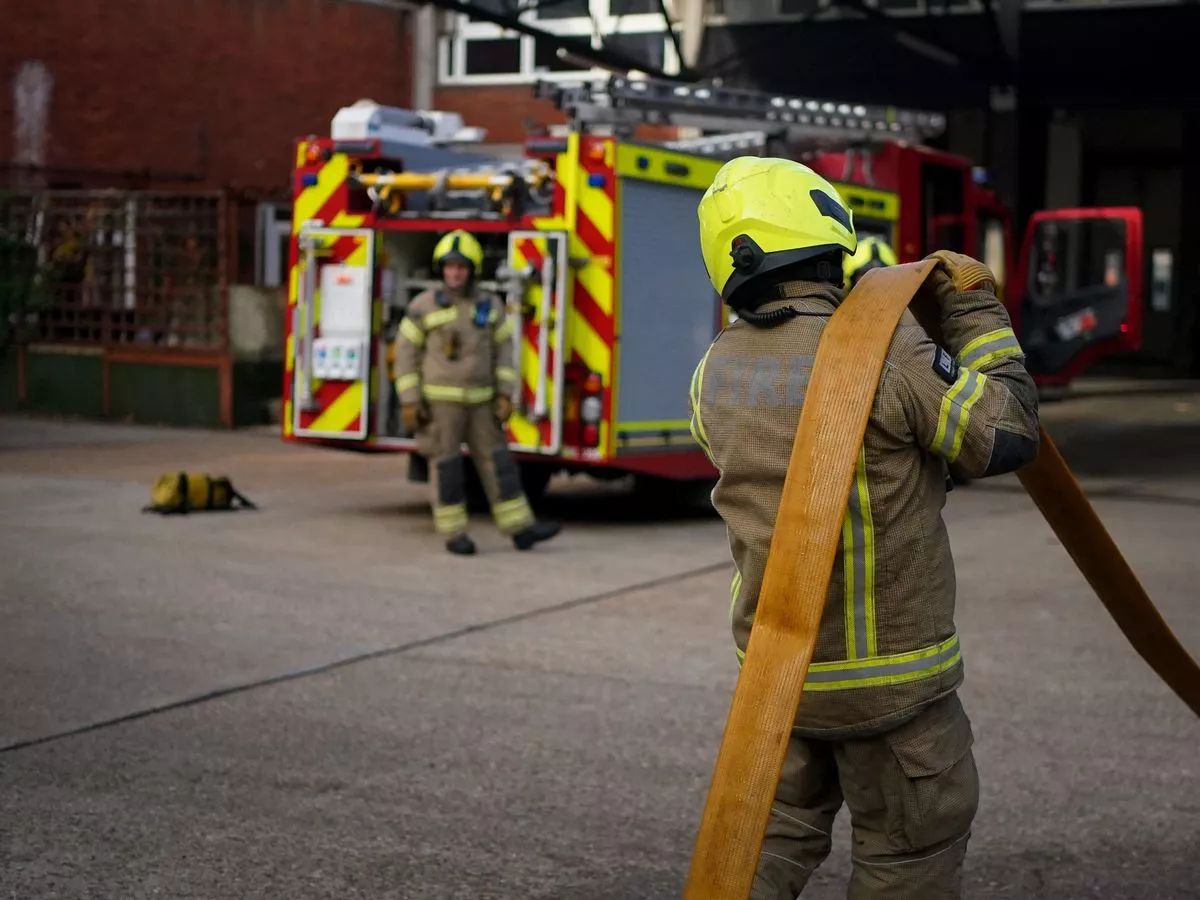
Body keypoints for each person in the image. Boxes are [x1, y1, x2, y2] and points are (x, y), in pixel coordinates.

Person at [689, 157, 1040, 899]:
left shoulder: (711, 372)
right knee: (904, 862)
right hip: (896, 696)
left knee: (757, 859)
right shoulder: (889, 351)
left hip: (780, 685)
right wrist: (973, 312)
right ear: (827, 239)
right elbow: (1004, 434)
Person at [393, 229, 561, 556]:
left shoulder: (490, 304)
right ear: (441, 269)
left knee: (499, 464)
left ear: (472, 269)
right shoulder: (423, 306)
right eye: (449, 266)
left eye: (461, 266)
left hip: (483, 402)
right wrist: (411, 401)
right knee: (448, 468)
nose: (455, 273)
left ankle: (520, 528)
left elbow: (505, 352)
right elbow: (404, 354)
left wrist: (504, 394)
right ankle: (454, 534)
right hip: (442, 405)